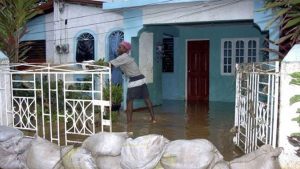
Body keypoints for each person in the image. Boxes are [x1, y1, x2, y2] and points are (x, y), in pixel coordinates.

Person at [109, 41, 156, 123]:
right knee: (147, 99)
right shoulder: (126, 57)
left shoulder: (123, 57)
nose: (117, 49)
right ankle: (153, 119)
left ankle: (129, 123)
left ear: (125, 49)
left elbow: (109, 65)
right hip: (141, 78)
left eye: (120, 47)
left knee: (129, 101)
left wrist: (95, 65)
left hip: (135, 80)